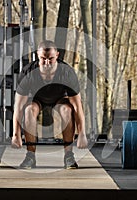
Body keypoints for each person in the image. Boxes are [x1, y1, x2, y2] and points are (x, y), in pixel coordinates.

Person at [11, 40, 88, 169]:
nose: (47, 63)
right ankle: (30, 156)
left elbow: (77, 106)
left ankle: (68, 155)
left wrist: (82, 134)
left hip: (59, 99)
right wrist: (16, 134)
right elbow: (18, 107)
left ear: (57, 55)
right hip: (37, 99)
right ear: (37, 55)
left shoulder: (67, 73)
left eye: (50, 59)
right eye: (43, 59)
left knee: (66, 110)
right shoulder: (27, 73)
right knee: (28, 110)